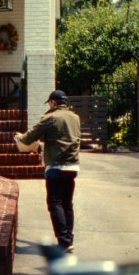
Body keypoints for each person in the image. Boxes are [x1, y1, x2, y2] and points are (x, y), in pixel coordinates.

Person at [15, 90, 81, 253]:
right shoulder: (75, 118)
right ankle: (69, 240)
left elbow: (29, 137)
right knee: (67, 204)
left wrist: (20, 137)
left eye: (50, 103)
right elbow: (62, 139)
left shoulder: (50, 118)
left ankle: (64, 242)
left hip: (56, 166)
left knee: (55, 203)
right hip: (72, 166)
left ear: (53, 102)